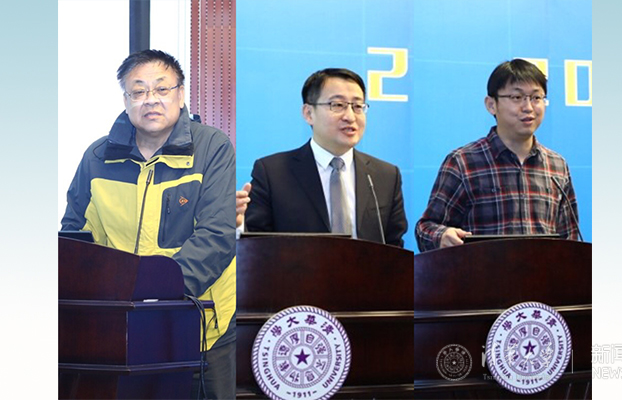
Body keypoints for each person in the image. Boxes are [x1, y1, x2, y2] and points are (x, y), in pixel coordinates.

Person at [61, 50, 236, 399]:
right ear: (126, 101)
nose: (150, 99)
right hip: (120, 327)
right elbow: (76, 239)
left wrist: (158, 293)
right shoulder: (97, 157)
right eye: (138, 91)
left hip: (200, 323)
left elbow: (217, 235)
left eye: (161, 89)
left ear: (181, 94)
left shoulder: (212, 147)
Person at [415, 59, 580, 251]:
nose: (528, 107)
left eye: (536, 98)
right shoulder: (463, 162)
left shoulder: (557, 165)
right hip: (481, 269)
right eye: (517, 97)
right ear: (491, 104)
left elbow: (570, 238)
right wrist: (442, 235)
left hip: (543, 270)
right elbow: (425, 229)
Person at [241, 68, 407, 247]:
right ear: (308, 113)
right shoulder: (273, 173)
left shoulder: (385, 176)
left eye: (358, 106)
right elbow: (255, 245)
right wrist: (237, 226)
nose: (350, 116)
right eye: (337, 105)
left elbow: (395, 248)